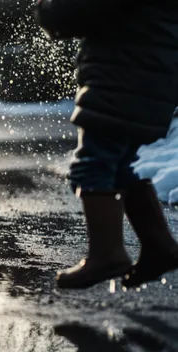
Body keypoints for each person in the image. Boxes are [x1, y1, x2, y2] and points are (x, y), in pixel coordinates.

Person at [35, 0, 178, 288]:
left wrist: (49, 10)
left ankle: (107, 254)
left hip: (123, 76)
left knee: (92, 166)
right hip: (145, 73)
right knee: (119, 167)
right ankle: (159, 247)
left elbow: (86, 10)